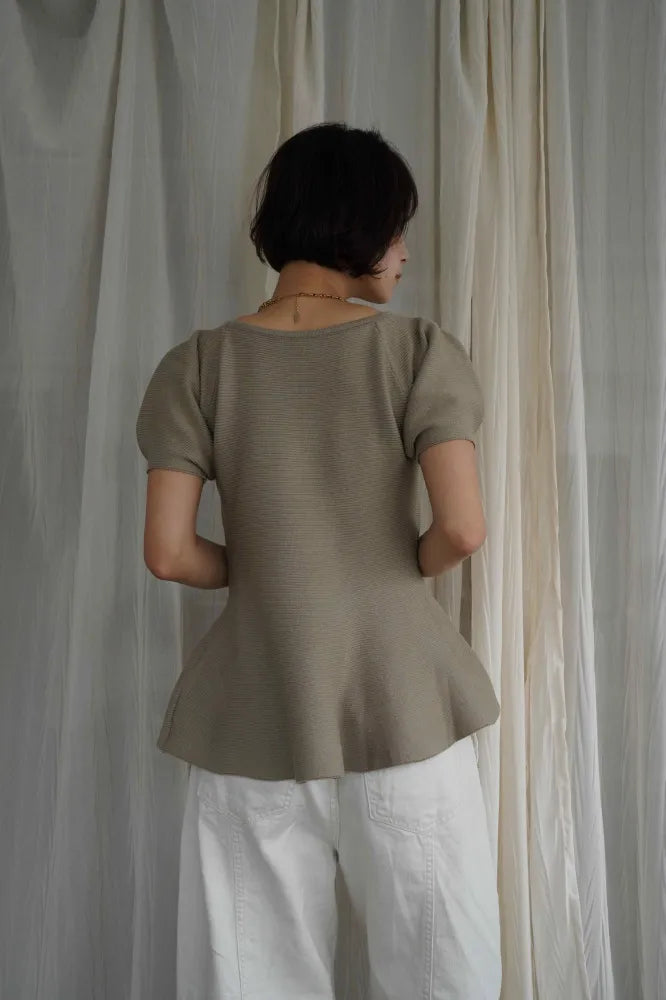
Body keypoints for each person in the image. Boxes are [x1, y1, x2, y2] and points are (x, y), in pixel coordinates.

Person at [136, 122, 502, 1000]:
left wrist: (269, 564)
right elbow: (461, 530)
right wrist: (391, 562)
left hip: (253, 710)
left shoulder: (197, 365)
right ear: (361, 226)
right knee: (442, 975)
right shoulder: (417, 350)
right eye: (399, 230)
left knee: (251, 978)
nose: (404, 254)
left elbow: (169, 552)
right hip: (404, 710)